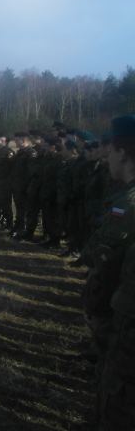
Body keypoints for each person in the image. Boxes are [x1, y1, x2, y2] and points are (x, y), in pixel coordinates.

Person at [83, 115, 135, 427]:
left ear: (123, 153)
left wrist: (98, 311)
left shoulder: (129, 205)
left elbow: (105, 261)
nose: (108, 158)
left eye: (112, 151)